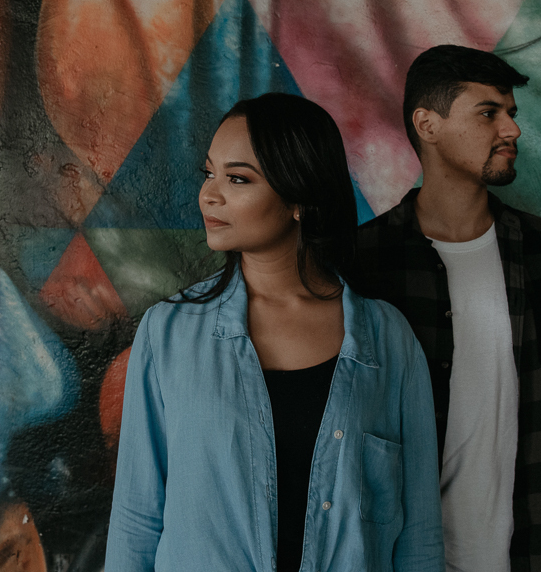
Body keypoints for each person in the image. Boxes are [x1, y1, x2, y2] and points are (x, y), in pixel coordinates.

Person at [105, 92, 444, 572]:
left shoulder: (388, 340)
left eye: (238, 178)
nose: (210, 194)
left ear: (299, 199)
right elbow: (137, 521)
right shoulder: (169, 333)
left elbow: (420, 536)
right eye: (209, 173)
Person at [352, 46, 541, 572]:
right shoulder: (364, 264)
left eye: (511, 113)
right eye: (488, 113)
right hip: (405, 558)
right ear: (427, 125)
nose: (512, 130)